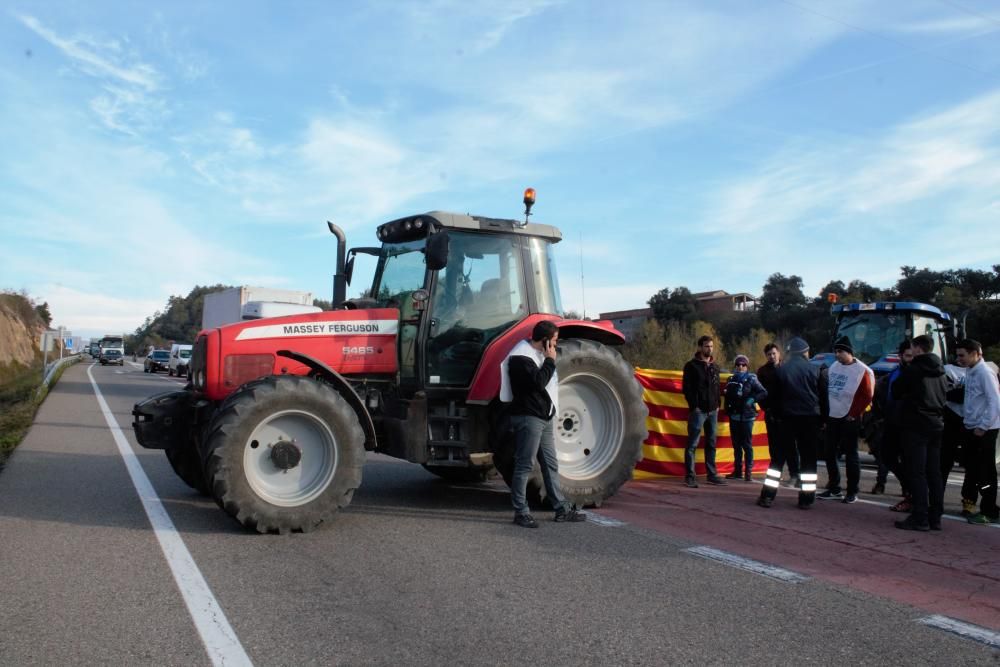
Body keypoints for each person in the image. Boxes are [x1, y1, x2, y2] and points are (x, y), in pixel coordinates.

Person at [500, 320, 586, 528]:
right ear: (545, 340)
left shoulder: (536, 354)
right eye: (554, 340)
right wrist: (550, 361)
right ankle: (521, 511)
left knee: (550, 464)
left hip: (544, 417)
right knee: (525, 464)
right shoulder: (521, 357)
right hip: (529, 417)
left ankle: (561, 508)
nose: (556, 345)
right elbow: (538, 383)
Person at [757, 337, 827, 509]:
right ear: (805, 352)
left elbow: (771, 397)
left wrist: (774, 414)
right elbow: (824, 399)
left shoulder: (781, 371)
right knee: (808, 461)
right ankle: (806, 499)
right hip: (810, 420)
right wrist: (824, 420)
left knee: (778, 460)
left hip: (786, 420)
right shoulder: (817, 370)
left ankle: (767, 496)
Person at [891, 335, 948, 532]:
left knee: (917, 472)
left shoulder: (913, 370)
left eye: (913, 347)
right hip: (936, 422)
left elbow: (896, 391)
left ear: (917, 348)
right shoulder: (941, 370)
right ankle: (936, 516)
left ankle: (920, 516)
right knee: (934, 472)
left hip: (916, 423)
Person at [818, 337, 874, 505]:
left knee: (851, 454)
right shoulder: (834, 367)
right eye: (835, 351)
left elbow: (867, 395)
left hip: (850, 417)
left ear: (849, 352)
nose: (837, 355)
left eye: (840, 352)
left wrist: (854, 413)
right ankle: (834, 487)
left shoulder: (862, 370)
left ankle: (852, 491)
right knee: (829, 452)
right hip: (833, 415)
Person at [955, 339, 1000, 526]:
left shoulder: (985, 373)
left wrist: (983, 426)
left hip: (984, 430)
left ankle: (989, 511)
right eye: (957, 355)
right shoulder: (971, 371)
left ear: (975, 353)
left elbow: (995, 402)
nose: (959, 359)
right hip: (971, 428)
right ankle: (974, 504)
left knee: (986, 472)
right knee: (973, 469)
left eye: (962, 355)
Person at [872, 340, 914, 510]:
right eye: (908, 356)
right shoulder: (893, 374)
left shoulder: (917, 373)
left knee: (908, 460)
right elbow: (882, 396)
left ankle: (910, 493)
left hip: (909, 424)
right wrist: (880, 416)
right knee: (887, 456)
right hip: (891, 422)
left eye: (913, 356)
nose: (911, 359)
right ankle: (898, 486)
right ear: (900, 356)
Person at [682, 335, 727, 487]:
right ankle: (690, 476)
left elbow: (716, 388)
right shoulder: (691, 366)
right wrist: (694, 406)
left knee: (711, 443)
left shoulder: (715, 366)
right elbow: (686, 388)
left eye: (712, 346)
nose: (710, 349)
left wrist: (717, 404)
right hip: (698, 411)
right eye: (707, 346)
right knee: (692, 444)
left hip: (713, 411)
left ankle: (711, 474)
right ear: (700, 347)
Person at [757, 343, 801, 487]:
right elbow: (759, 392)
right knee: (775, 448)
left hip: (788, 414)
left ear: (779, 354)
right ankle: (776, 475)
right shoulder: (762, 372)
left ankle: (795, 475)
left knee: (791, 447)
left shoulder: (788, 369)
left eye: (774, 353)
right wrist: (766, 408)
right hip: (772, 414)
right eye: (769, 354)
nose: (772, 356)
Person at [724, 354, 767, 481]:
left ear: (747, 366)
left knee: (747, 444)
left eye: (743, 365)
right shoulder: (731, 379)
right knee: (736, 445)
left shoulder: (752, 378)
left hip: (747, 416)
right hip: (734, 415)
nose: (740, 367)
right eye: (737, 364)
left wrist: (752, 399)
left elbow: (763, 392)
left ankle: (748, 471)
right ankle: (737, 471)